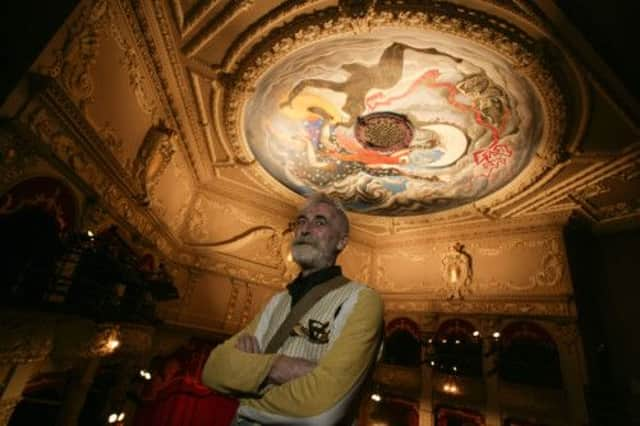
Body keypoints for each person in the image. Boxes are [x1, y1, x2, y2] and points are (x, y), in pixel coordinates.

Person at [202, 193, 384, 425]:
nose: (305, 229)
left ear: (342, 242)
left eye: (320, 222)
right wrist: (280, 366)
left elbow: (322, 409)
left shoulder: (361, 300)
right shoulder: (277, 301)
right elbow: (213, 369)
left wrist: (246, 393)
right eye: (301, 221)